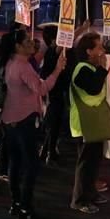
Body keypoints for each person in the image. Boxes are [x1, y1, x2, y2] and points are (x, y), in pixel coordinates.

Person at [0, 28, 66, 219]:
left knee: (15, 163)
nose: (32, 43)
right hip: (24, 122)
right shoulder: (23, 65)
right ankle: (26, 208)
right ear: (18, 45)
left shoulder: (10, 62)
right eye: (27, 41)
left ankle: (16, 203)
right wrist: (58, 70)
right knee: (31, 166)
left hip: (9, 120)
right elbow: (42, 88)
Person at [69, 32, 110, 214]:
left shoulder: (90, 67)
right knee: (86, 163)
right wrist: (103, 69)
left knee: (94, 161)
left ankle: (91, 193)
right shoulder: (82, 69)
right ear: (89, 51)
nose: (103, 50)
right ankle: (79, 200)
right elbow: (94, 89)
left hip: (93, 122)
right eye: (99, 47)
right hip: (83, 123)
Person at [39, 25, 69, 166]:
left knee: (55, 124)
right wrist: (81, 28)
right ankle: (48, 151)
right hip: (53, 93)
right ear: (53, 39)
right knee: (53, 123)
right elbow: (61, 45)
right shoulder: (52, 52)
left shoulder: (52, 52)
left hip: (56, 92)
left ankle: (47, 150)